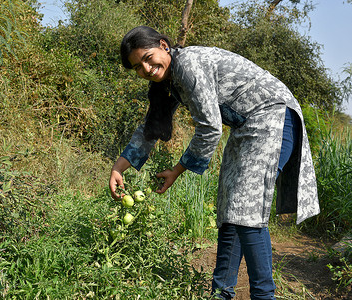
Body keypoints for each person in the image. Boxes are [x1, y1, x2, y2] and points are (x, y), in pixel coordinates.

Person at [108, 25, 320, 299]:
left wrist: (177, 170)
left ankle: (263, 296)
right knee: (230, 213)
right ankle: (221, 294)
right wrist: (118, 167)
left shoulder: (189, 64)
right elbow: (150, 129)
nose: (147, 69)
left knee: (247, 212)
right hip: (246, 126)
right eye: (138, 67)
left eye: (148, 58)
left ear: (163, 45)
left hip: (271, 116)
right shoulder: (169, 83)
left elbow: (209, 127)